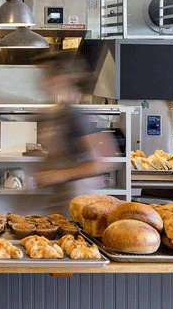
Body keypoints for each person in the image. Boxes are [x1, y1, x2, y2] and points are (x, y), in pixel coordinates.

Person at [32, 51, 122, 214]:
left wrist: (59, 175)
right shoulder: (59, 112)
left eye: (49, 75)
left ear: (66, 78)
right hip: (61, 198)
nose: (43, 80)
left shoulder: (75, 116)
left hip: (77, 202)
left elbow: (105, 161)